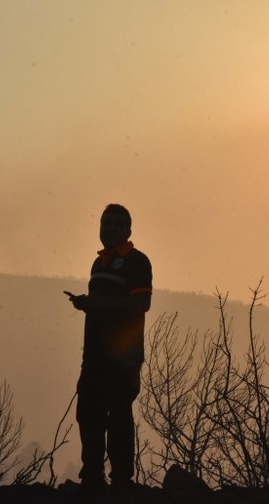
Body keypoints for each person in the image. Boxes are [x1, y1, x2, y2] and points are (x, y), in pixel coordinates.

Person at [66, 204, 152, 495]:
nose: (110, 228)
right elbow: (101, 308)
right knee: (88, 414)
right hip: (94, 356)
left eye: (117, 224)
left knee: (118, 416)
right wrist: (86, 304)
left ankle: (121, 482)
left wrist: (97, 305)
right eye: (106, 223)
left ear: (128, 230)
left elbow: (142, 305)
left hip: (123, 357)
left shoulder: (138, 262)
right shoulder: (98, 264)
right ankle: (92, 477)